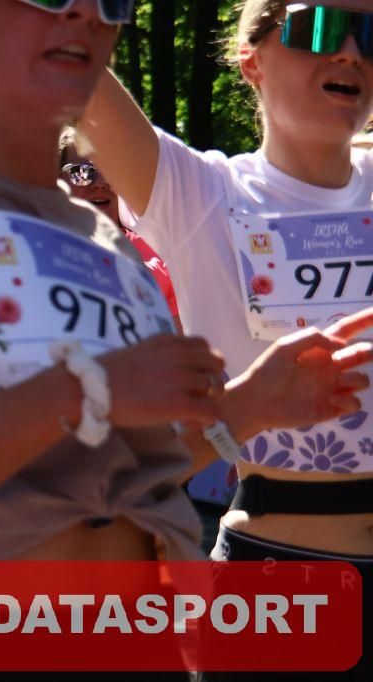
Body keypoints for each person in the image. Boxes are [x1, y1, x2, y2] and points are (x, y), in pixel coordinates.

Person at [0, 2, 373, 679]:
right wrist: (83, 393)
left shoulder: (107, 248)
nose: (82, 14)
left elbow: (114, 481)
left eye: (108, 3)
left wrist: (248, 407)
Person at [81, 1, 373, 677]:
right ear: (252, 61)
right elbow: (72, 58)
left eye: (370, 33)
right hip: (282, 590)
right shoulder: (200, 193)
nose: (351, 52)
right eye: (319, 26)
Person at [58, 128, 181, 330]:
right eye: (81, 172)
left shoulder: (158, 253)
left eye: (110, 172)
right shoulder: (36, 249)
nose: (100, 184)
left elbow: (178, 340)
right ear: (56, 182)